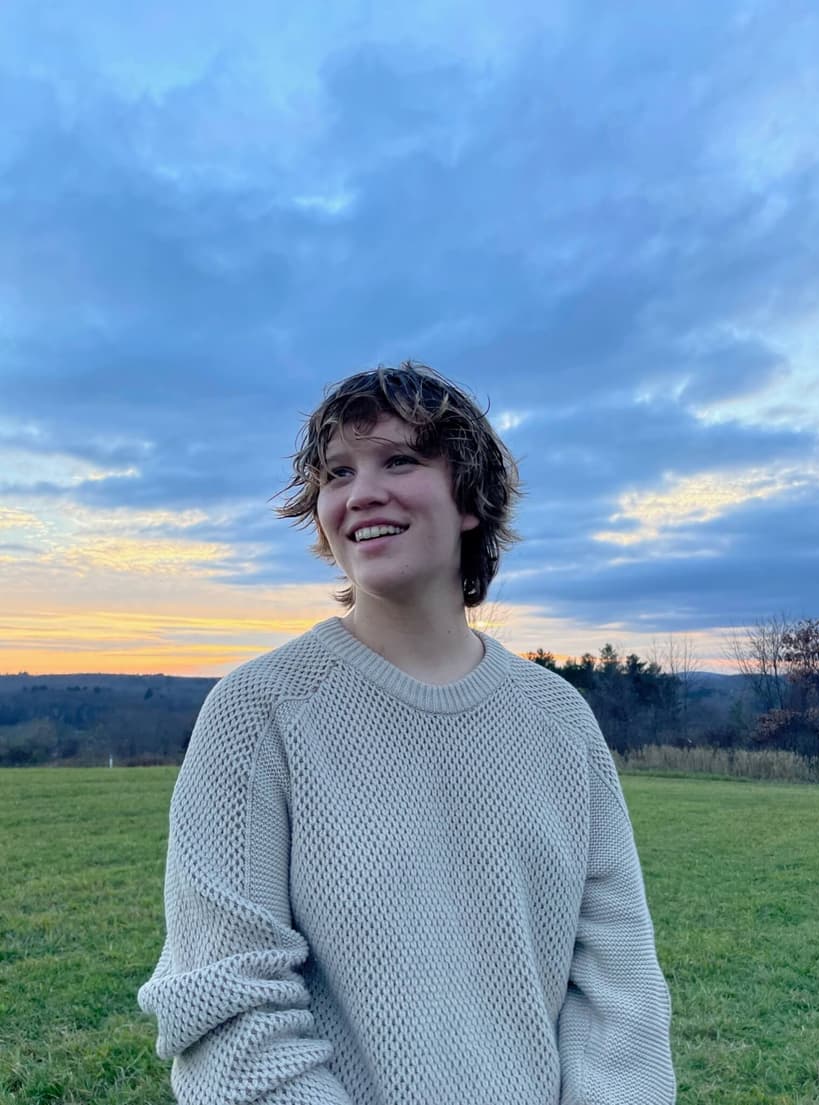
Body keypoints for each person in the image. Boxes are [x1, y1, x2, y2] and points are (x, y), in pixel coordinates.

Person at [138, 362, 676, 1104]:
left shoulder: (559, 721)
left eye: (399, 460)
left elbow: (620, 992)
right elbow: (228, 1006)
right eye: (338, 472)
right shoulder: (258, 713)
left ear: (471, 500)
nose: (360, 493)